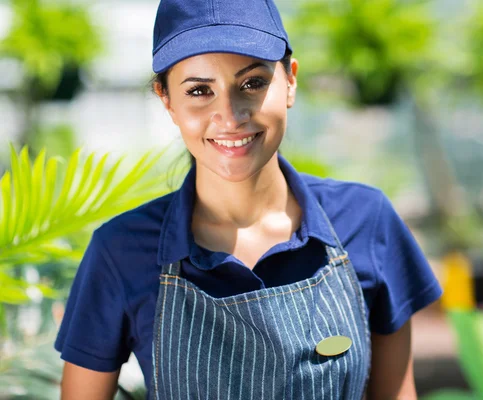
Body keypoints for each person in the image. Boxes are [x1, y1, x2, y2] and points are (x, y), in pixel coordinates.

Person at [55, 0, 443, 399]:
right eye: (200, 90)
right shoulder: (121, 251)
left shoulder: (365, 220)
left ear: (290, 81)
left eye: (252, 83)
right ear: (167, 100)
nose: (229, 114)